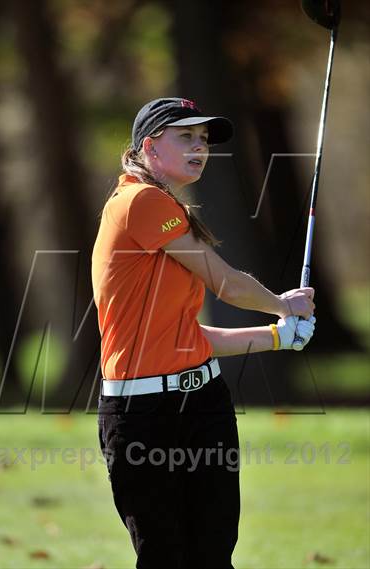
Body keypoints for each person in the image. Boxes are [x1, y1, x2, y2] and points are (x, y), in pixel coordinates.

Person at [91, 97, 316, 569]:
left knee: (213, 554)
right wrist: (283, 304)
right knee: (165, 557)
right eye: (186, 137)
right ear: (150, 147)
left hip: (203, 403)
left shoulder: (164, 206)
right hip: (142, 414)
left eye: (204, 140)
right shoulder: (141, 200)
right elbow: (228, 284)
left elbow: (186, 340)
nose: (200, 147)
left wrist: (277, 335)